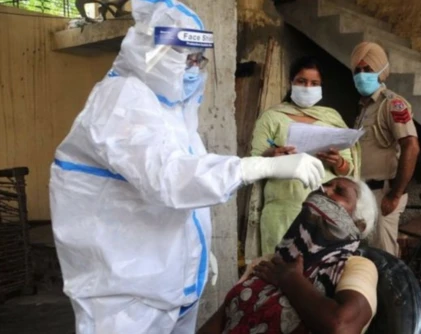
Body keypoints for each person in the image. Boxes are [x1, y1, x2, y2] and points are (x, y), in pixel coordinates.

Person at [49, 1, 325, 333]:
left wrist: (196, 253)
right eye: (186, 57)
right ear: (152, 52)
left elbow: (189, 179)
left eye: (199, 58)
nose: (194, 67)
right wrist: (257, 168)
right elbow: (167, 178)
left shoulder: (173, 111)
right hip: (124, 295)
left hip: (167, 284)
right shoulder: (121, 100)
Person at [199, 177, 379, 334]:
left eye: (339, 191)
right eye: (323, 186)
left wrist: (290, 280)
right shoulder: (271, 260)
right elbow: (223, 317)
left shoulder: (357, 266)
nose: (324, 191)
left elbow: (341, 327)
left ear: (359, 223)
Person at [246, 56, 358, 256]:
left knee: (315, 271)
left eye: (314, 83)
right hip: (282, 209)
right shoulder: (272, 117)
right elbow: (255, 159)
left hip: (324, 212)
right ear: (291, 82)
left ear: (322, 86)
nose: (307, 87)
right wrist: (273, 154)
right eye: (301, 81)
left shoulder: (332, 118)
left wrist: (338, 161)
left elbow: (348, 168)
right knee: (277, 270)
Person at [350, 42, 420, 256]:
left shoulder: (393, 104)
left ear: (381, 71)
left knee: (385, 258)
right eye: (358, 70)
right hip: (365, 192)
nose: (362, 75)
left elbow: (411, 147)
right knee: (367, 257)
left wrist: (395, 195)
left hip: (384, 193)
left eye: (368, 70)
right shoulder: (364, 108)